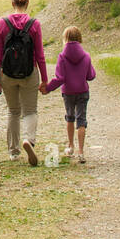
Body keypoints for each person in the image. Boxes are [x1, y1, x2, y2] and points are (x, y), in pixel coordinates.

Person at [0, 0, 47, 165]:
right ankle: (29, 141)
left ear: (12, 2)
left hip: (7, 74)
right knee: (30, 110)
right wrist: (45, 79)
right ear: (27, 2)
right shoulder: (34, 24)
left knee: (13, 111)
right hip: (29, 73)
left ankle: (14, 152)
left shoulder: (1, 24)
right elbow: (40, 55)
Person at [42, 25, 95, 163]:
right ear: (79, 39)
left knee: (70, 118)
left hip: (68, 92)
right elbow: (91, 76)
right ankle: (81, 152)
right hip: (83, 91)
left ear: (65, 39)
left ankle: (70, 146)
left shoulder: (62, 56)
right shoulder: (86, 56)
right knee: (81, 120)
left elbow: (60, 78)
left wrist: (48, 88)